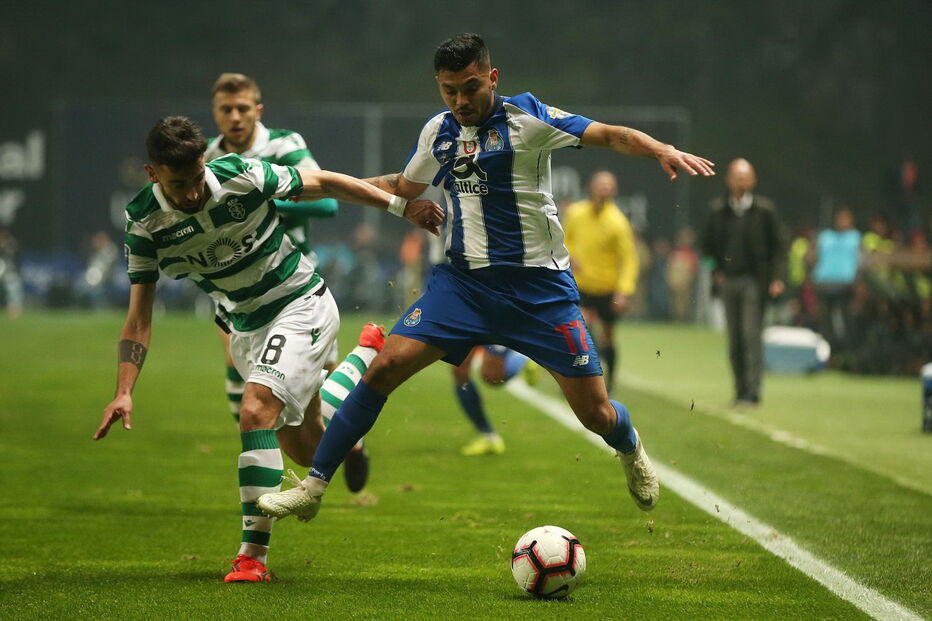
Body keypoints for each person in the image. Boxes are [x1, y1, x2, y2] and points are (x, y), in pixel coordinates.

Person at [257, 33, 716, 524]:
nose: (460, 100)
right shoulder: (439, 131)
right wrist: (316, 189)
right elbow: (401, 186)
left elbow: (608, 134)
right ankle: (313, 486)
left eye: (470, 88)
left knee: (596, 415)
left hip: (539, 293)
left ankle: (630, 448)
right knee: (383, 368)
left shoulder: (527, 118)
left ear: (492, 78)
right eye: (449, 90)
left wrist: (660, 148)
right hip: (463, 287)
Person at [92, 116, 442, 582]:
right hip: (246, 329)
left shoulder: (239, 174)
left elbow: (322, 182)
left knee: (254, 411)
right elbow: (139, 318)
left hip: (301, 305)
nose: (194, 193)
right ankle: (361, 364)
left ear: (204, 162)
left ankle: (251, 557)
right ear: (152, 173)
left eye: (197, 177)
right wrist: (124, 390)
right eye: (179, 184)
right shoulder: (144, 224)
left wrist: (401, 207)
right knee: (304, 448)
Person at [205, 73, 379, 492]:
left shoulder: (284, 145)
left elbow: (327, 204)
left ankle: (350, 444)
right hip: (236, 292)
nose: (234, 117)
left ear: (257, 111)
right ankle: (266, 460)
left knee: (319, 384)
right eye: (226, 110)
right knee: (246, 386)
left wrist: (262, 199)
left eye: (242, 108)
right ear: (215, 113)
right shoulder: (208, 158)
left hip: (293, 287)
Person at [700, 158, 786, 408]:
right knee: (734, 339)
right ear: (728, 180)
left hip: (754, 281)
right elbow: (706, 246)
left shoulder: (765, 211)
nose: (740, 181)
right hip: (729, 281)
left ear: (753, 180)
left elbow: (779, 247)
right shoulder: (718, 211)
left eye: (744, 176)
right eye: (736, 176)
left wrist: (777, 278)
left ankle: (753, 392)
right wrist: (714, 269)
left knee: (751, 336)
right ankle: (739, 390)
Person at [563, 171, 639, 392]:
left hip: (607, 287)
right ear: (591, 187)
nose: (604, 189)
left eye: (609, 185)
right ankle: (580, 379)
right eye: (600, 185)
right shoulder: (576, 213)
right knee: (582, 329)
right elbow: (564, 240)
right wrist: (569, 256)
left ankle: (610, 381)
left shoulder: (618, 222)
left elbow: (629, 259)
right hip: (581, 285)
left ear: (614, 190)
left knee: (608, 337)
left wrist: (624, 290)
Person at [811, 207, 861, 351]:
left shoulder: (854, 237)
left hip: (845, 284)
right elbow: (815, 257)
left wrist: (858, 284)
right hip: (824, 283)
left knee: (846, 319)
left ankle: (847, 352)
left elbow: (860, 261)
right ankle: (826, 351)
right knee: (824, 320)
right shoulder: (825, 236)